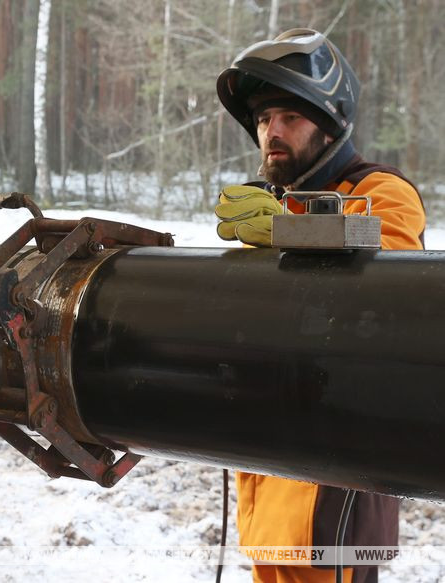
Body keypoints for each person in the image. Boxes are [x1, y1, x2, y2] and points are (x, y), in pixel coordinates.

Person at [214, 29, 425, 583]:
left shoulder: (383, 192)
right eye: (264, 119)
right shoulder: (267, 207)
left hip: (334, 482)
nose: (272, 132)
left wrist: (286, 230)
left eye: (290, 116)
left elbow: (386, 289)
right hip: (269, 469)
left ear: (330, 123)